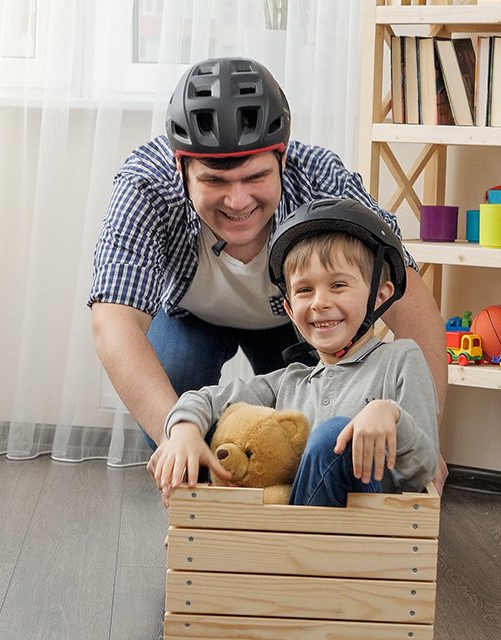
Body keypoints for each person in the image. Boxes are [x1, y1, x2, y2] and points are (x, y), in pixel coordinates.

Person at [88, 56, 448, 491]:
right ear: (181, 169)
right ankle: (203, 504)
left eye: (255, 177)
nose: (237, 201)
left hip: (297, 322)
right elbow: (114, 322)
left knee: (304, 436)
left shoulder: (320, 178)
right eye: (216, 182)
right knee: (178, 399)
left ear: (281, 157)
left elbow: (411, 304)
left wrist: (428, 436)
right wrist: (176, 440)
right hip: (190, 317)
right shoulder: (146, 185)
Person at [152, 198, 438, 507]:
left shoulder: (400, 360)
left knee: (334, 436)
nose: (319, 302)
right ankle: (220, 531)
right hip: (287, 532)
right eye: (304, 290)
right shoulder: (290, 382)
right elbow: (206, 399)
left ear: (380, 294)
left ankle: (274, 543)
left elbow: (421, 471)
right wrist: (183, 430)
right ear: (289, 308)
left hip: (364, 534)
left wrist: (392, 415)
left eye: (338, 285)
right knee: (210, 436)